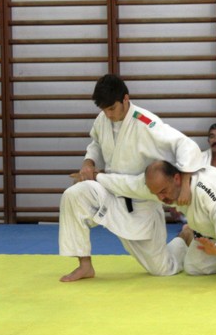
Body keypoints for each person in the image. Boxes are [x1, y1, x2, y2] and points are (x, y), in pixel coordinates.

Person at [58, 74, 205, 282]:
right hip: (110, 191)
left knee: (163, 269)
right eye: (104, 110)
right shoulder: (103, 119)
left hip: (140, 202)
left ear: (125, 99)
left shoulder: (146, 123)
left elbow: (186, 145)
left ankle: (184, 236)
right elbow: (96, 143)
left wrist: (186, 183)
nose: (108, 114)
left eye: (112, 108)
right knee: (74, 195)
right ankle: (85, 265)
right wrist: (88, 163)